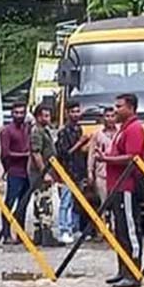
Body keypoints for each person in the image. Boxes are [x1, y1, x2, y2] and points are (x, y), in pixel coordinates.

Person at [98, 93, 144, 287]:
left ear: (131, 108)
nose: (115, 110)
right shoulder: (123, 129)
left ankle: (133, 272)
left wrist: (107, 160)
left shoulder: (135, 129)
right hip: (116, 186)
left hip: (127, 186)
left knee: (130, 230)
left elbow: (132, 157)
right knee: (120, 231)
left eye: (119, 106)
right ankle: (123, 270)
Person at [54, 101, 87, 244]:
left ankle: (75, 228)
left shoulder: (79, 129)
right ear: (67, 113)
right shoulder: (63, 132)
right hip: (67, 171)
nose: (76, 114)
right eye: (73, 111)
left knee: (76, 202)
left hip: (78, 171)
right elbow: (64, 154)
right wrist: (80, 143)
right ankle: (64, 230)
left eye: (77, 111)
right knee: (65, 202)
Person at [0, 101, 32, 243]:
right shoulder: (6, 131)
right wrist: (24, 155)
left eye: (22, 113)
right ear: (12, 114)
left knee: (23, 204)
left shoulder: (27, 128)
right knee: (9, 203)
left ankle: (20, 233)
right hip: (15, 172)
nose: (19, 115)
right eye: (16, 113)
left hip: (27, 172)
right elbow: (5, 153)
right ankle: (6, 234)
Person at [29, 103, 60, 247]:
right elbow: (36, 153)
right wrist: (44, 173)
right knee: (44, 202)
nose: (48, 118)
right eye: (45, 115)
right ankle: (46, 235)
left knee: (41, 202)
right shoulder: (37, 131)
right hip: (40, 174)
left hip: (45, 171)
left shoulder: (44, 130)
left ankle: (39, 235)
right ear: (38, 116)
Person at [87, 107, 118, 211]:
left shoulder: (120, 133)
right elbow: (91, 154)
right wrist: (90, 172)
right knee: (103, 204)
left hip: (117, 175)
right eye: (107, 116)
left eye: (112, 116)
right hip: (101, 175)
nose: (110, 119)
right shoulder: (97, 135)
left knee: (116, 205)